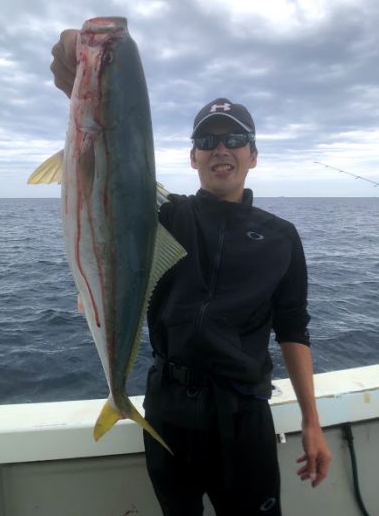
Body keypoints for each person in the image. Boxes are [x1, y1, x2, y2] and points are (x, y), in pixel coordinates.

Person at [49, 31, 331, 516]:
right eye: (207, 140)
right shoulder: (165, 216)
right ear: (193, 157)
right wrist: (81, 82)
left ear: (253, 155)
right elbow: (114, 177)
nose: (221, 149)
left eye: (234, 138)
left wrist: (312, 420)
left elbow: (293, 329)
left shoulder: (281, 236)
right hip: (169, 410)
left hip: (244, 416)